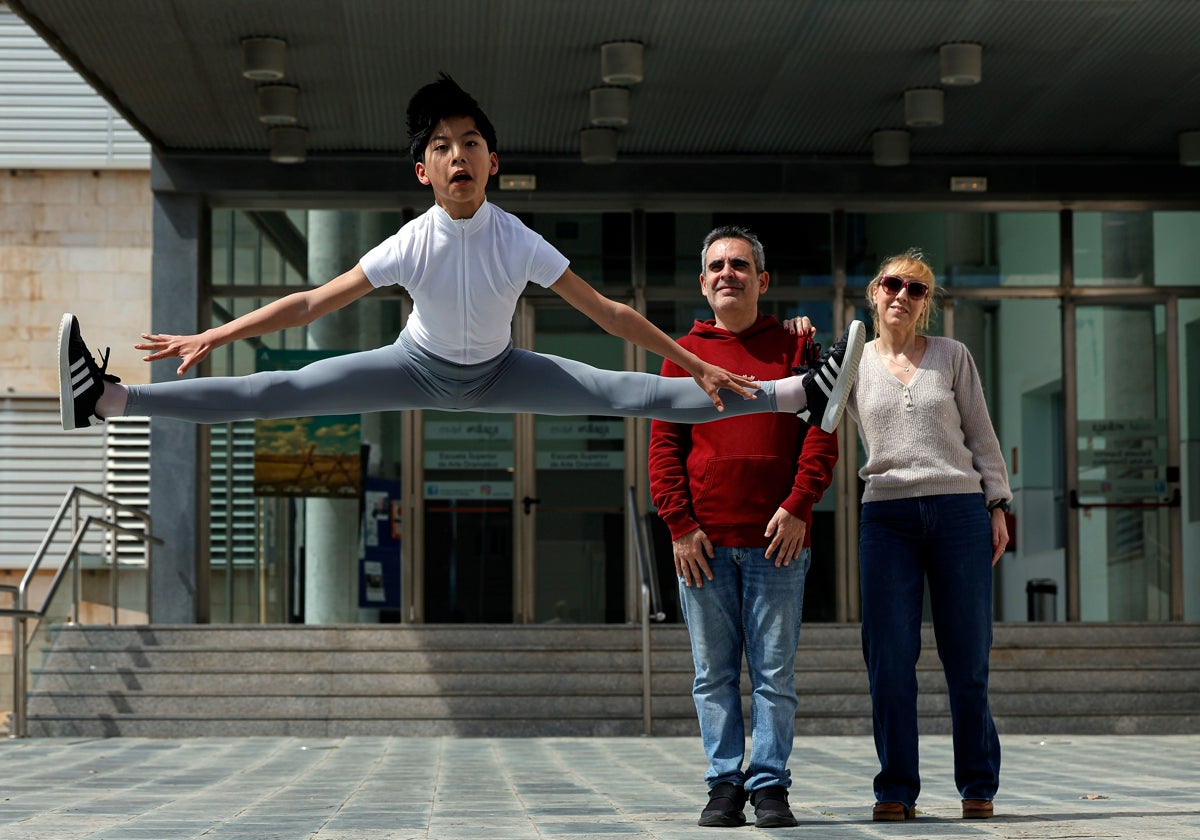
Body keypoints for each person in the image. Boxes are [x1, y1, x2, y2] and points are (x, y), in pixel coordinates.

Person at [58, 74, 865, 440]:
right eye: (442, 148)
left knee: (634, 392)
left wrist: (694, 361)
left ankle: (798, 395)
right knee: (284, 388)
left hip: (505, 369)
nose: (458, 156)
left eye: (471, 144)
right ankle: (112, 402)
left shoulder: (515, 236)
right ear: (424, 172)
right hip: (414, 365)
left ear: (492, 163)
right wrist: (212, 337)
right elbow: (312, 304)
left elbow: (608, 313)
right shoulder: (413, 239)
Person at [791, 249, 1010, 822]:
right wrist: (800, 342)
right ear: (873, 292)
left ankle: (977, 785)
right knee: (889, 658)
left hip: (959, 511)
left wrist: (998, 503)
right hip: (887, 518)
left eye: (915, 290)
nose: (901, 296)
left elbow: (982, 436)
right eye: (892, 285)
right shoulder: (853, 361)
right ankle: (895, 789)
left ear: (925, 304)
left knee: (968, 657)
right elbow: (808, 413)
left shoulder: (953, 357)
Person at [649, 226, 838, 829]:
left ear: (762, 279)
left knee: (775, 675)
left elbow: (823, 432)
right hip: (702, 544)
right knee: (713, 675)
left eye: (739, 264)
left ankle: (770, 785)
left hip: (778, 541)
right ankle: (725, 784)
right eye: (716, 266)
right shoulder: (681, 356)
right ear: (703, 283)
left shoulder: (795, 346)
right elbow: (663, 447)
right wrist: (678, 525)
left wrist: (800, 505)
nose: (727, 273)